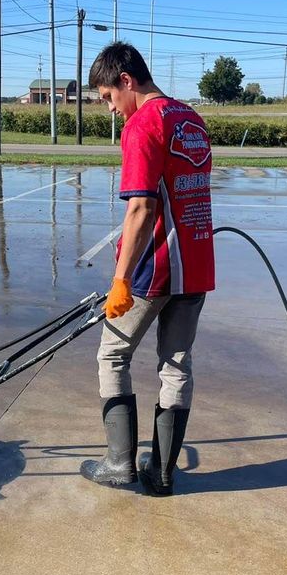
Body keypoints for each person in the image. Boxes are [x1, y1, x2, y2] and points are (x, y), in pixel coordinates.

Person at [79, 41, 215, 496]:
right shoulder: (190, 119)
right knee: (176, 366)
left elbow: (140, 207)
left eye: (108, 98)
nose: (111, 110)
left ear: (126, 81)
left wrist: (120, 279)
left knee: (112, 355)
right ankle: (161, 475)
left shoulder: (142, 125)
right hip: (195, 264)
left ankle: (120, 463)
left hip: (154, 270)